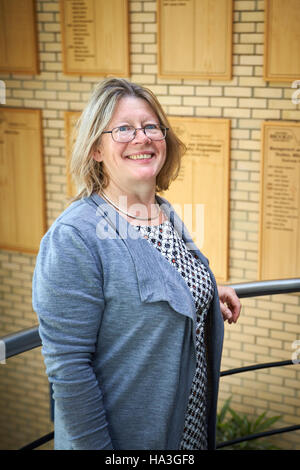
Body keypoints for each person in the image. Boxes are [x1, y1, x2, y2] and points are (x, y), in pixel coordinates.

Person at [33, 78, 241, 450]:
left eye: (150, 126)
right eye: (124, 129)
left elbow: (159, 281)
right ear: (96, 148)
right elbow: (69, 373)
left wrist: (205, 291)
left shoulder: (164, 213)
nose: (141, 137)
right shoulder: (74, 237)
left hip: (188, 436)